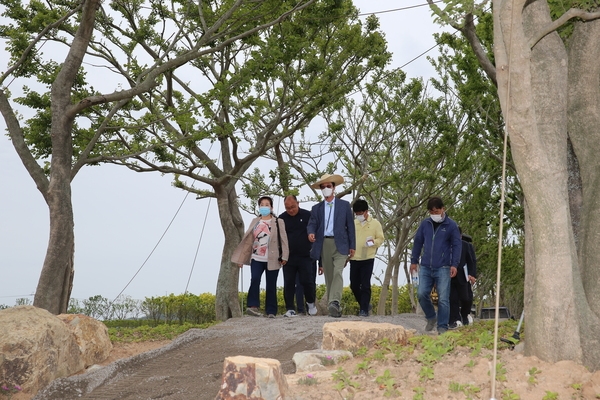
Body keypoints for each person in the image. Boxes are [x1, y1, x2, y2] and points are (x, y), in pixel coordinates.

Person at [410, 196, 461, 334]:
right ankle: (431, 317)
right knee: (421, 294)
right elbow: (418, 242)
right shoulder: (425, 224)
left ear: (443, 209)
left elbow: (457, 246)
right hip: (426, 265)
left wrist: (454, 264)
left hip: (444, 267)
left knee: (443, 298)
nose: (434, 214)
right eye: (431, 212)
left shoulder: (451, 225)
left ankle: (442, 326)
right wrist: (413, 261)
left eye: (437, 211)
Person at [231, 196, 289, 318]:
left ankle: (271, 311)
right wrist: (241, 259)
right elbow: (248, 242)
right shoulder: (255, 221)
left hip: (272, 258)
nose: (264, 207)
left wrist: (285, 256)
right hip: (256, 257)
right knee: (255, 279)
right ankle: (253, 306)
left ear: (271, 207)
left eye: (267, 204)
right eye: (262, 204)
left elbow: (284, 240)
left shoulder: (278, 222)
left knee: (271, 284)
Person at [307, 173, 355, 317]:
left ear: (334, 187)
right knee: (329, 275)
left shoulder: (344, 205)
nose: (326, 189)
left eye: (328, 186)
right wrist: (310, 232)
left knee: (338, 272)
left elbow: (350, 227)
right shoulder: (316, 208)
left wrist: (352, 246)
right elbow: (312, 223)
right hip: (324, 243)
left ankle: (335, 302)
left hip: (341, 243)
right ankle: (333, 306)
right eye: (323, 187)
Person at [279, 195, 318, 317]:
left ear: (298, 203)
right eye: (287, 208)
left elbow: (314, 232)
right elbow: (279, 239)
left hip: (305, 255)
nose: (291, 210)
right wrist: (281, 256)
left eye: (293, 207)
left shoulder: (307, 215)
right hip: (288, 257)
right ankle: (290, 308)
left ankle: (311, 303)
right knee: (289, 282)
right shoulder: (281, 219)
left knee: (307, 281)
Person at [349, 199, 384, 317]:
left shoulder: (375, 224)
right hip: (354, 258)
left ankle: (363, 309)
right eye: (356, 213)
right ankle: (365, 304)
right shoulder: (353, 223)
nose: (358, 216)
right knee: (354, 285)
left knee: (365, 284)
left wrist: (373, 242)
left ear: (366, 211)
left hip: (368, 258)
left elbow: (380, 239)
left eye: (360, 213)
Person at [449, 228, 477, 329]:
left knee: (466, 298)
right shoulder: (445, 245)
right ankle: (454, 320)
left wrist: (472, 274)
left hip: (463, 276)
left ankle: (465, 315)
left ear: (460, 236)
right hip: (450, 277)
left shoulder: (466, 245)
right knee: (453, 299)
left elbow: (471, 261)